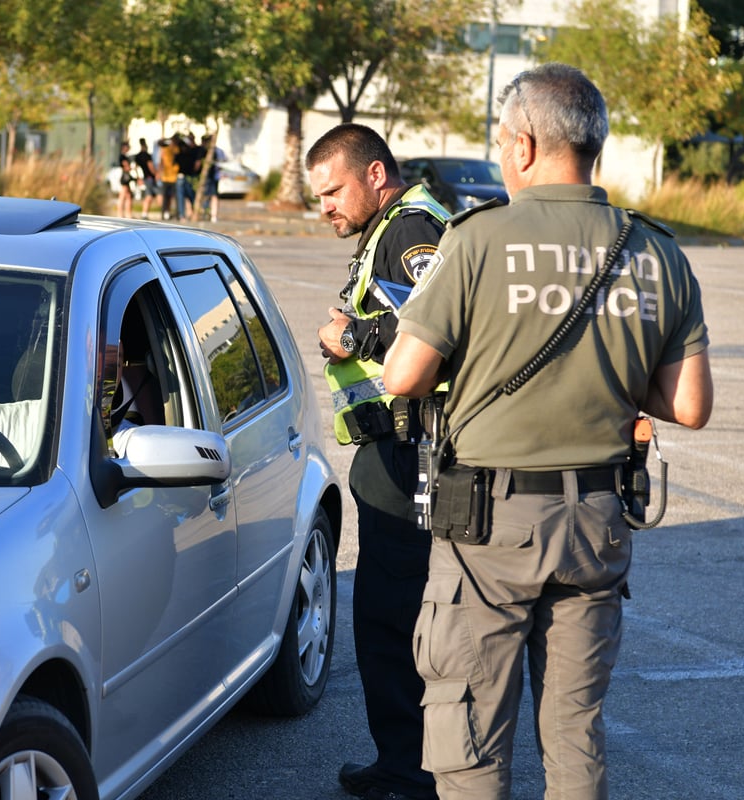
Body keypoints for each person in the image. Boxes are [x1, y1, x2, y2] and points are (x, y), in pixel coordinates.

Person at [383, 63, 713, 800]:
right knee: (574, 733)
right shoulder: (656, 251)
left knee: (468, 730)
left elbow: (403, 376)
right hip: (598, 521)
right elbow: (688, 405)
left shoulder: (475, 239)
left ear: (526, 145)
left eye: (502, 141)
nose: (501, 155)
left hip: (490, 527)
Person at [306, 123, 451, 800]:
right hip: (392, 451)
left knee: (393, 621)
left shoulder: (409, 229)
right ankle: (408, 761)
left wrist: (349, 336)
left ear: (374, 174)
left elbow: (441, 323)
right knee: (388, 617)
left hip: (412, 454)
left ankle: (413, 771)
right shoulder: (389, 229)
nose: (326, 206)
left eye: (333, 190)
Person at [134, 137, 159, 220]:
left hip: (143, 178)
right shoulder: (147, 156)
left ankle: (144, 213)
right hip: (149, 178)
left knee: (146, 196)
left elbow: (136, 168)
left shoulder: (137, 156)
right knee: (149, 196)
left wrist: (138, 178)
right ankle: (144, 213)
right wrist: (156, 174)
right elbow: (151, 167)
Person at [158, 136, 180, 220]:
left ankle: (177, 214)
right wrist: (159, 173)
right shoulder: (165, 149)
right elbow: (161, 162)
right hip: (166, 177)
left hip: (174, 176)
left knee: (175, 197)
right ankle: (164, 213)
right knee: (165, 197)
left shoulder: (177, 149)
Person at [116, 141, 135, 219]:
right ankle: (120, 214)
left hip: (126, 177)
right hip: (125, 178)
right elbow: (126, 167)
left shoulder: (124, 156)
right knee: (123, 196)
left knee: (128, 196)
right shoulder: (122, 157)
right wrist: (133, 167)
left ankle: (127, 213)